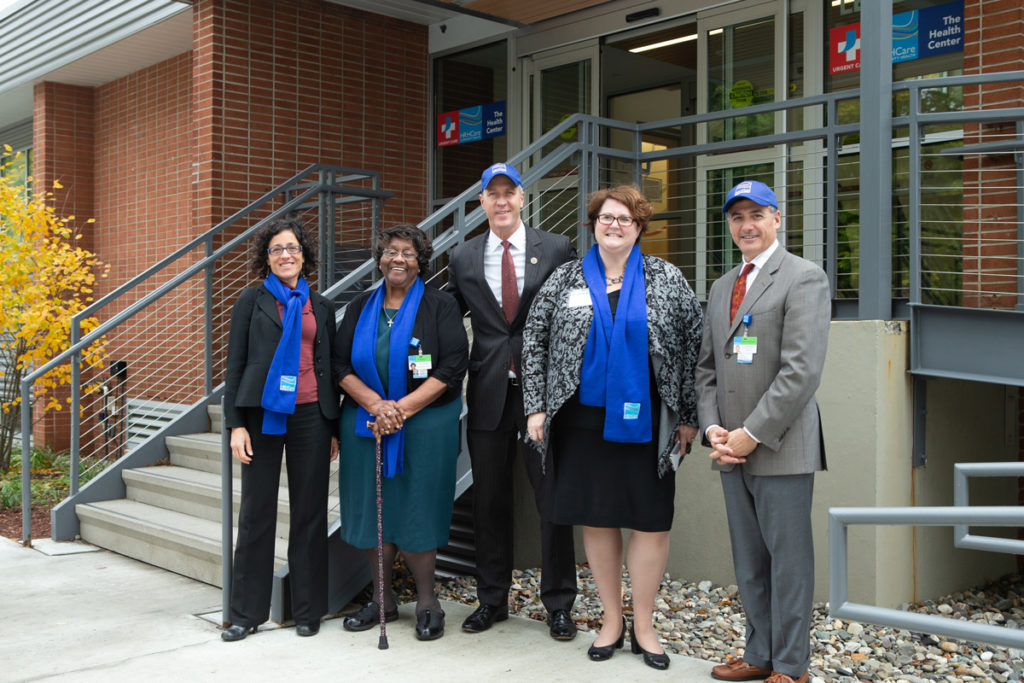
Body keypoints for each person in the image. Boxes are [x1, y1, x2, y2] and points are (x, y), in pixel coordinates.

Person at [522, 185, 703, 671]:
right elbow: (535, 341)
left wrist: (688, 415)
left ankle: (643, 624)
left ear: (639, 226)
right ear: (594, 225)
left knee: (649, 518)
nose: (614, 225)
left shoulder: (666, 277)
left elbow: (692, 347)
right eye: (606, 217)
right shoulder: (565, 278)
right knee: (597, 515)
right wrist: (535, 407)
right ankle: (610, 620)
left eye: (624, 218)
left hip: (649, 420)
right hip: (581, 421)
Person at [695, 180, 830, 683]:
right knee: (749, 560)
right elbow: (706, 369)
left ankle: (791, 667)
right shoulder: (722, 285)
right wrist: (713, 429)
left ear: (778, 218)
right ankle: (760, 655)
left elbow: (801, 372)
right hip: (730, 450)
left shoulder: (803, 278)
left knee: (788, 563)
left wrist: (750, 433)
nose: (746, 225)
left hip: (780, 447)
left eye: (756, 214)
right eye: (737, 217)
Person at [446, 162, 579, 640]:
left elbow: (574, 316)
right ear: (481, 202)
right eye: (492, 194)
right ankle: (491, 599)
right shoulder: (462, 257)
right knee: (489, 502)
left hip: (544, 397)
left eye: (509, 192)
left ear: (523, 198)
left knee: (552, 500)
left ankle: (560, 603)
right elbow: (445, 318)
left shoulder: (558, 248)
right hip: (485, 396)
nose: (501, 201)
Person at [333, 224, 468, 641]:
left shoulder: (440, 305)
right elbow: (339, 365)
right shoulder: (359, 306)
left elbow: (451, 367)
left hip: (426, 425)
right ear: (380, 259)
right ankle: (383, 599)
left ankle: (428, 602)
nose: (398, 259)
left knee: (418, 508)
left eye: (408, 253)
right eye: (391, 251)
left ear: (420, 262)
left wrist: (401, 409)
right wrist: (377, 406)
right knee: (375, 510)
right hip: (366, 423)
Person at [221, 217, 340, 641]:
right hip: (262, 415)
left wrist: (335, 427)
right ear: (266, 258)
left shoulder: (320, 306)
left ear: (304, 256)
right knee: (256, 512)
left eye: (292, 248)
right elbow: (234, 366)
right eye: (276, 249)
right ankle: (245, 614)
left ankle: (308, 610)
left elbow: (331, 368)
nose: (285, 255)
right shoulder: (250, 301)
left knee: (309, 512)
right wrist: (235, 424)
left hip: (312, 415)